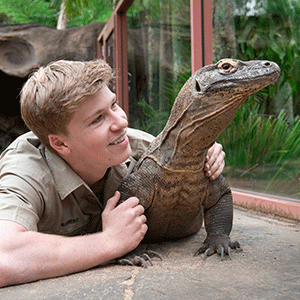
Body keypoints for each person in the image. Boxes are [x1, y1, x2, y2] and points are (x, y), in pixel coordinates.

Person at [0, 60, 225, 287]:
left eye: (114, 105)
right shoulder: (25, 172)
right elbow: (3, 258)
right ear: (60, 143)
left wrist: (207, 157)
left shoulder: (139, 146)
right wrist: (108, 243)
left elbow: (195, 158)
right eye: (98, 119)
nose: (121, 122)